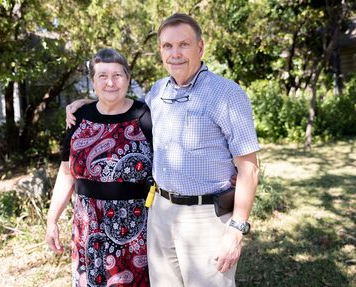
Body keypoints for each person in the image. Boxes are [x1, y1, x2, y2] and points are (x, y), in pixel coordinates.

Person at [66, 13, 259, 287]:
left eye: (184, 45)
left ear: (200, 47)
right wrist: (86, 104)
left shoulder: (226, 94)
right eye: (168, 46)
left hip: (206, 218)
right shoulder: (156, 93)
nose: (175, 53)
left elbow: (249, 169)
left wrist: (237, 228)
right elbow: (120, 107)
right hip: (160, 214)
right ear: (160, 51)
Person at [46, 48, 153, 287]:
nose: (110, 82)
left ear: (128, 78)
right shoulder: (78, 118)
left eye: (117, 75)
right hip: (87, 228)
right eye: (102, 76)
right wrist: (52, 220)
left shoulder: (145, 116)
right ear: (93, 81)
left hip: (138, 230)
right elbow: (66, 174)